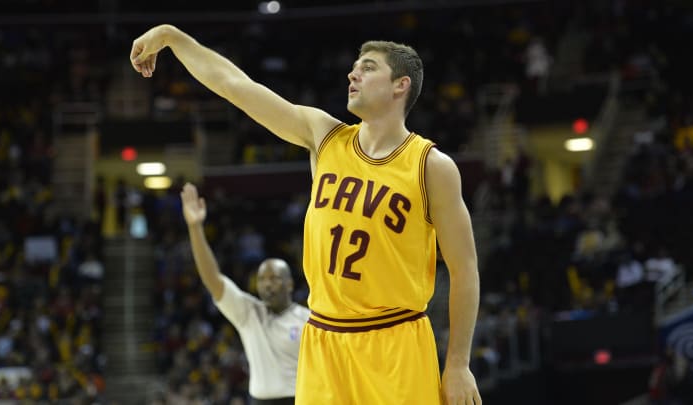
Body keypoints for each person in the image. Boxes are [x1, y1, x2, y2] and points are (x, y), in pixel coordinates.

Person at [132, 25, 481, 405]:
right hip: (323, 342)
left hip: (394, 342)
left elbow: (464, 270)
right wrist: (172, 38)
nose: (353, 74)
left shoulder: (432, 166)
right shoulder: (324, 137)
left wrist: (458, 364)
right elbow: (235, 85)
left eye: (367, 67)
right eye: (353, 67)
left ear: (401, 85)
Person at [180, 182, 309, 405]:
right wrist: (195, 228)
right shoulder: (248, 313)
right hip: (258, 400)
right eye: (262, 279)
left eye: (275, 278)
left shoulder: (308, 319)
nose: (267, 284)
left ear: (289, 285)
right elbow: (213, 279)